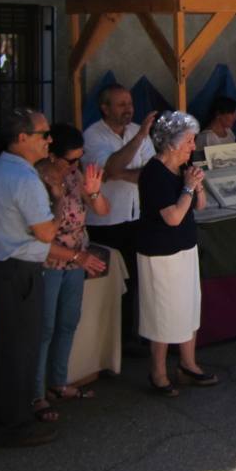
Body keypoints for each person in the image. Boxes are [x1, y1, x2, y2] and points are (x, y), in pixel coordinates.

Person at [0, 107, 60, 447]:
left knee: (3, 347)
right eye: (44, 134)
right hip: (19, 270)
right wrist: (56, 204)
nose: (49, 141)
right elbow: (44, 233)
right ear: (23, 138)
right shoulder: (24, 178)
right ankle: (16, 424)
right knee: (19, 350)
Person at [32, 124, 109, 422]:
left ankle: (58, 383)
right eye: (70, 160)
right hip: (49, 263)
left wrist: (96, 192)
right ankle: (35, 394)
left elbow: (102, 209)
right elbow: (38, 238)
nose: (75, 165)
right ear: (51, 155)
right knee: (45, 329)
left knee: (67, 322)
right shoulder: (36, 181)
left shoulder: (76, 177)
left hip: (75, 261)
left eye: (80, 158)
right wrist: (77, 256)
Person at [136, 111, 216, 396]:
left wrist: (197, 185)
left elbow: (200, 206)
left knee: (188, 307)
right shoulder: (154, 173)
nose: (193, 146)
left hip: (184, 248)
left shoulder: (183, 168)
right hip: (160, 254)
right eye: (189, 141)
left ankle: (188, 364)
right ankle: (158, 373)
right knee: (163, 313)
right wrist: (188, 187)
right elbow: (172, 217)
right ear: (171, 144)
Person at [84, 84, 157, 354]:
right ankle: (113, 344)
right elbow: (109, 168)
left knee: (139, 281)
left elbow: (150, 174)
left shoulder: (139, 131)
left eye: (129, 103)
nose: (128, 109)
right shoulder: (93, 136)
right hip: (106, 222)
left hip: (136, 217)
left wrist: (120, 172)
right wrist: (138, 139)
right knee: (114, 287)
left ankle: (134, 338)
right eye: (121, 104)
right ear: (105, 108)